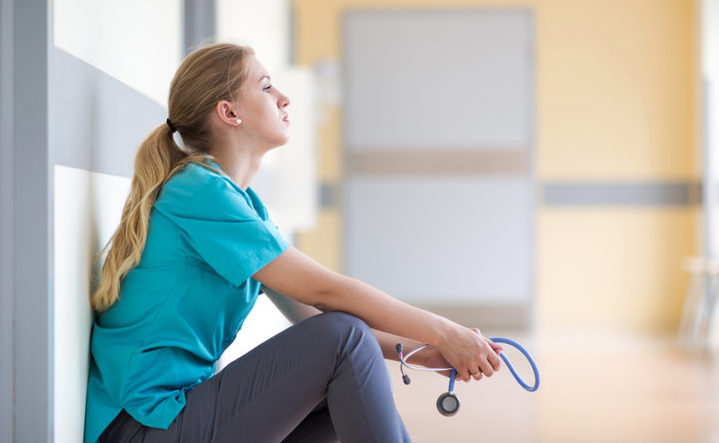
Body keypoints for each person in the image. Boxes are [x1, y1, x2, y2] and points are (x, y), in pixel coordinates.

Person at [84, 42, 503, 443]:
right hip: (142, 428)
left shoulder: (241, 203)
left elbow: (311, 314)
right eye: (266, 87)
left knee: (346, 348)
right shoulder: (198, 191)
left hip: (176, 420)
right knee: (343, 338)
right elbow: (324, 292)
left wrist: (420, 352)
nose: (284, 98)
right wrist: (445, 332)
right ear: (229, 112)